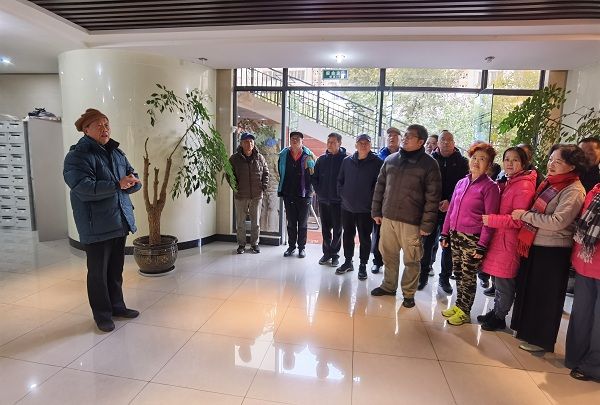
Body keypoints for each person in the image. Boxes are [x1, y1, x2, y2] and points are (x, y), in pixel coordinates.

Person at [63, 108, 142, 333]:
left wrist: (133, 183)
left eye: (106, 124)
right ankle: (102, 315)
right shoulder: (77, 156)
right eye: (98, 125)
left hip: (119, 220)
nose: (104, 128)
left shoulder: (117, 153)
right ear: (86, 129)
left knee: (115, 270)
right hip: (95, 225)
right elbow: (83, 187)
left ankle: (117, 307)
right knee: (98, 274)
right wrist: (118, 184)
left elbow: (131, 176)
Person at [510, 144, 586, 352]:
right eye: (551, 159)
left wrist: (525, 216)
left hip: (553, 250)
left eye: (558, 161)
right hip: (536, 243)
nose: (551, 164)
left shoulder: (574, 189)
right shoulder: (551, 182)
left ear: (572, 166)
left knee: (545, 297)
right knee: (530, 291)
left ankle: (540, 340)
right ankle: (525, 330)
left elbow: (558, 221)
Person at [371, 124, 441, 308]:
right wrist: (376, 211)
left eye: (410, 136)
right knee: (388, 255)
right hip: (388, 218)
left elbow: (433, 197)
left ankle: (408, 293)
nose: (405, 138)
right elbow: (380, 187)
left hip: (412, 222)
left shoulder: (429, 164)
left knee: (412, 260)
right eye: (406, 135)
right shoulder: (391, 159)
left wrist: (427, 225)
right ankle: (388, 286)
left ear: (421, 142)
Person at [440, 142, 500, 325]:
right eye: (474, 158)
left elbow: (489, 219)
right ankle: (459, 305)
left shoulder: (490, 187)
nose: (476, 161)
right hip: (455, 234)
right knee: (458, 273)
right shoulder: (461, 182)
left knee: (468, 276)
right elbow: (451, 210)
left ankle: (465, 312)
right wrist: (444, 233)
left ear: (488, 165)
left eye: (482, 159)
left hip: (473, 239)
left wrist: (482, 245)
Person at [478, 147, 537, 331]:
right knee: (498, 280)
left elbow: (518, 220)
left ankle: (500, 317)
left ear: (524, 163)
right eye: (507, 159)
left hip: (508, 241)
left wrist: (491, 220)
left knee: (504, 282)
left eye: (515, 160)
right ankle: (496, 312)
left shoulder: (524, 185)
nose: (510, 163)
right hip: (500, 238)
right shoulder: (509, 181)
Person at [418, 130, 468, 294]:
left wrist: (450, 202)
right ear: (437, 143)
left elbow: (465, 187)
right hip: (431, 209)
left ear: (454, 143)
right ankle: (422, 276)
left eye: (449, 140)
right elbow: (422, 185)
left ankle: (444, 278)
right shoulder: (428, 160)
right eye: (442, 140)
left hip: (452, 211)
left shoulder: (463, 162)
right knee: (426, 244)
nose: (446, 142)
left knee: (449, 246)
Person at [565, 182, 600, 381]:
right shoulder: (595, 191)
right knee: (581, 313)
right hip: (586, 263)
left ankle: (594, 366)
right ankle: (576, 357)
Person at [336, 134, 383, 280]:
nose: (363, 145)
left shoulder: (377, 163)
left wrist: (372, 202)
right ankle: (348, 262)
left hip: (366, 209)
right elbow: (340, 181)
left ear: (370, 145)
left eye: (366, 143)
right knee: (347, 236)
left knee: (365, 238)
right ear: (355, 145)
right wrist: (343, 195)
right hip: (347, 208)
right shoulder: (347, 161)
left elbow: (380, 186)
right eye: (360, 143)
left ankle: (363, 265)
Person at [229, 131, 270, 254]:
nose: (249, 144)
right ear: (241, 143)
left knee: (255, 222)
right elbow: (229, 175)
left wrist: (263, 186)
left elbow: (266, 173)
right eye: (246, 141)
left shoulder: (260, 157)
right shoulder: (234, 159)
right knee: (240, 223)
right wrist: (235, 187)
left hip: (256, 195)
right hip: (241, 195)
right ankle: (241, 244)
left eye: (251, 141)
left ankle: (254, 244)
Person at [278, 131, 316, 258]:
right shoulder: (284, 155)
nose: (295, 140)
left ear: (302, 141)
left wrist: (312, 189)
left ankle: (301, 248)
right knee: (291, 222)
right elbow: (280, 171)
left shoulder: (308, 155)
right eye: (293, 138)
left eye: (298, 139)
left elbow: (313, 174)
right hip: (288, 193)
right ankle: (291, 247)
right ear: (290, 140)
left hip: (304, 194)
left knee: (303, 223)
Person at [311, 132, 348, 267]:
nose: (330, 144)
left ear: (339, 143)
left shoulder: (346, 160)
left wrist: (342, 195)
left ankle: (335, 255)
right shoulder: (321, 160)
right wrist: (319, 191)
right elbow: (314, 178)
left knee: (338, 230)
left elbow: (347, 181)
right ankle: (326, 253)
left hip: (338, 202)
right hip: (323, 200)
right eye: (328, 142)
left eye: (333, 142)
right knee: (325, 229)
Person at [370, 127, 401, 274]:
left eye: (395, 135)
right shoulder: (379, 158)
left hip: (399, 204)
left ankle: (391, 264)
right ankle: (377, 262)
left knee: (395, 237)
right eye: (389, 135)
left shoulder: (405, 157)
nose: (391, 138)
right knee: (378, 233)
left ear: (401, 139)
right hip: (382, 202)